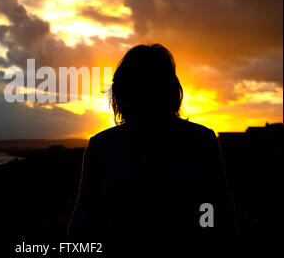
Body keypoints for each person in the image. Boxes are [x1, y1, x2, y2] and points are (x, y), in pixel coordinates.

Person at [68, 44, 237, 238]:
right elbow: (221, 217)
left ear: (121, 92)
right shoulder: (202, 141)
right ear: (172, 88)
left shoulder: (102, 146)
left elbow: (83, 225)